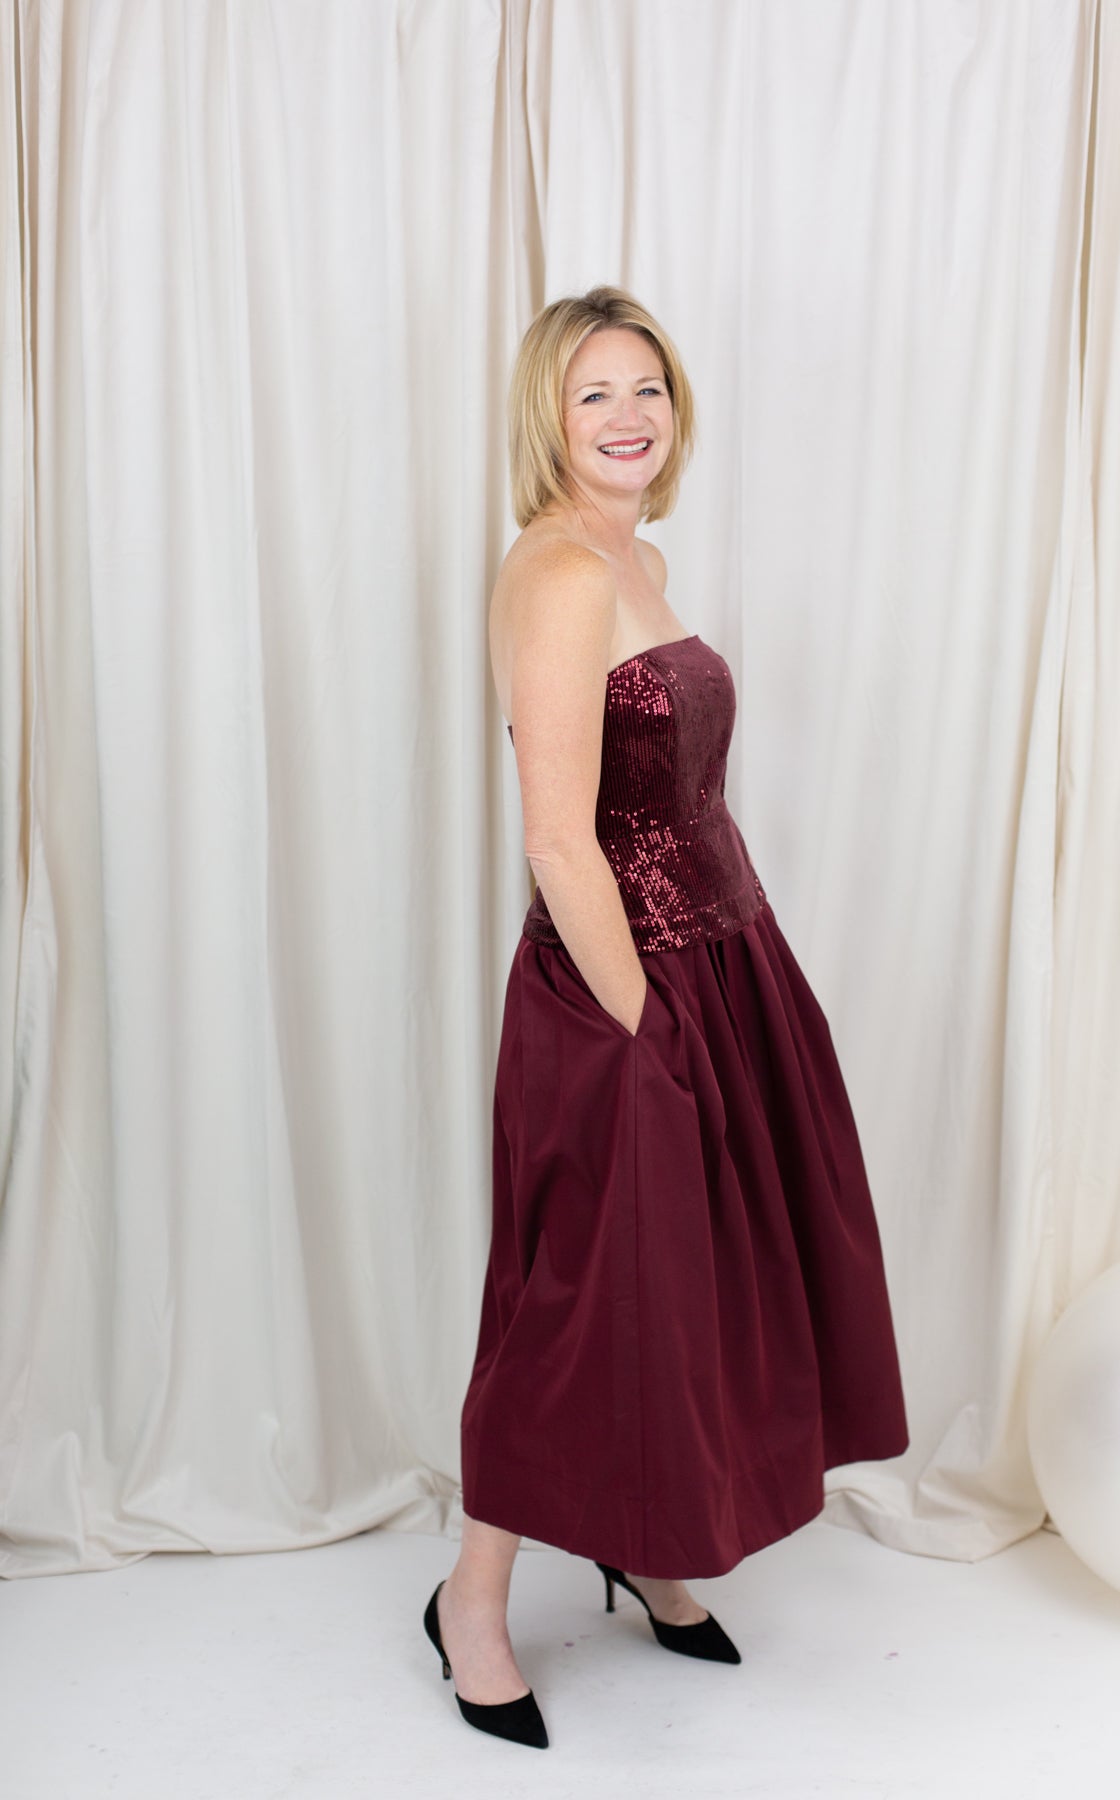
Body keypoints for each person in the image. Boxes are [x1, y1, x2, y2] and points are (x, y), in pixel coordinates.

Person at [422, 286, 909, 1750]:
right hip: (620, 985)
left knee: (687, 1287)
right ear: (547, 424)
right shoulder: (558, 571)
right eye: (594, 397)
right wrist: (646, 1029)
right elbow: (561, 842)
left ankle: (643, 1548)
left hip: (720, 955)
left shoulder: (639, 553)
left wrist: (733, 985)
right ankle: (474, 1603)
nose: (628, 417)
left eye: (647, 388)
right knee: (571, 1305)